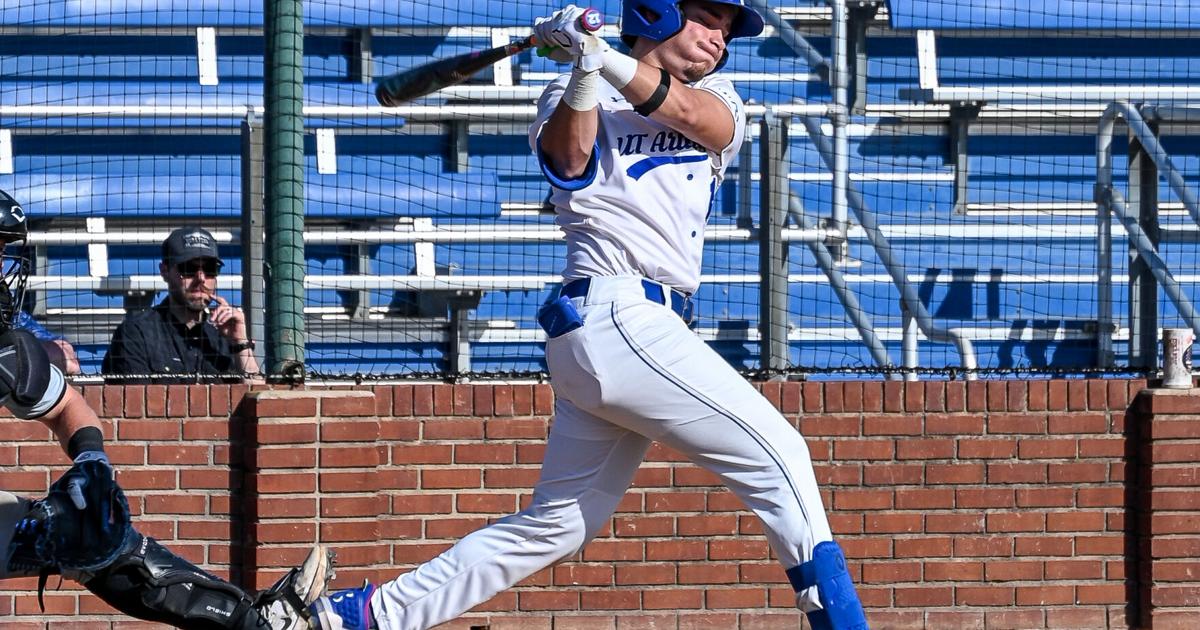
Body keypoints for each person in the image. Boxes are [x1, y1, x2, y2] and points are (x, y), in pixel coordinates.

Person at [306, 2, 869, 629]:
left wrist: (600, 54)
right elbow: (568, 163)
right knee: (782, 455)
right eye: (707, 18)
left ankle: (365, 615)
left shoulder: (720, 94)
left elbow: (695, 119)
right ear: (657, 12)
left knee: (560, 525)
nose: (719, 37)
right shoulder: (572, 88)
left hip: (637, 329)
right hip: (615, 310)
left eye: (728, 29)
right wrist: (582, 68)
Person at [0, 198, 332, 628]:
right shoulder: (141, 330)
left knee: (88, 534)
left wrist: (91, 458)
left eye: (4, 249)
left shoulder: (6, 349)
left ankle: (256, 621)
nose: (2, 263)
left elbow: (67, 405)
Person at [103, 226, 260, 383]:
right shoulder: (137, 333)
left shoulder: (224, 338)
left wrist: (240, 343)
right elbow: (134, 403)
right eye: (189, 268)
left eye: (210, 269)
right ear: (165, 271)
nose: (201, 278)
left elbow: (257, 398)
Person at [0, 189, 81, 375]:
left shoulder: (4, 302)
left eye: (2, 251)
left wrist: (17, 354)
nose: (2, 262)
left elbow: (65, 354)